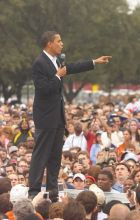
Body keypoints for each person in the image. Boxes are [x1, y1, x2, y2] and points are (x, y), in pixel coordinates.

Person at [28, 30, 112, 198]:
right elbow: (42, 88)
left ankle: (52, 192)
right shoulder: (40, 62)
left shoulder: (56, 60)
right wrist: (57, 76)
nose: (62, 44)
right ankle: (34, 192)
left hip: (57, 117)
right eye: (58, 41)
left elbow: (71, 68)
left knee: (54, 156)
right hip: (45, 117)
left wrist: (94, 62)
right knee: (41, 155)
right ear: (49, 44)